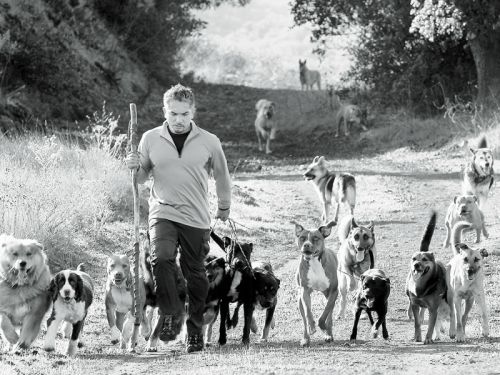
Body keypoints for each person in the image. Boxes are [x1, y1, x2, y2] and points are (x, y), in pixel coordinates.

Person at [125, 84, 231, 353]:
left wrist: (224, 206)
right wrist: (133, 166)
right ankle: (170, 311)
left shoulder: (209, 141)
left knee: (194, 272)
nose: (179, 120)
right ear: (165, 111)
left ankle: (195, 330)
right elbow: (139, 179)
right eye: (173, 114)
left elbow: (221, 175)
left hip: (196, 217)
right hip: (162, 212)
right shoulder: (149, 138)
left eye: (184, 114)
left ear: (193, 111)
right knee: (160, 258)